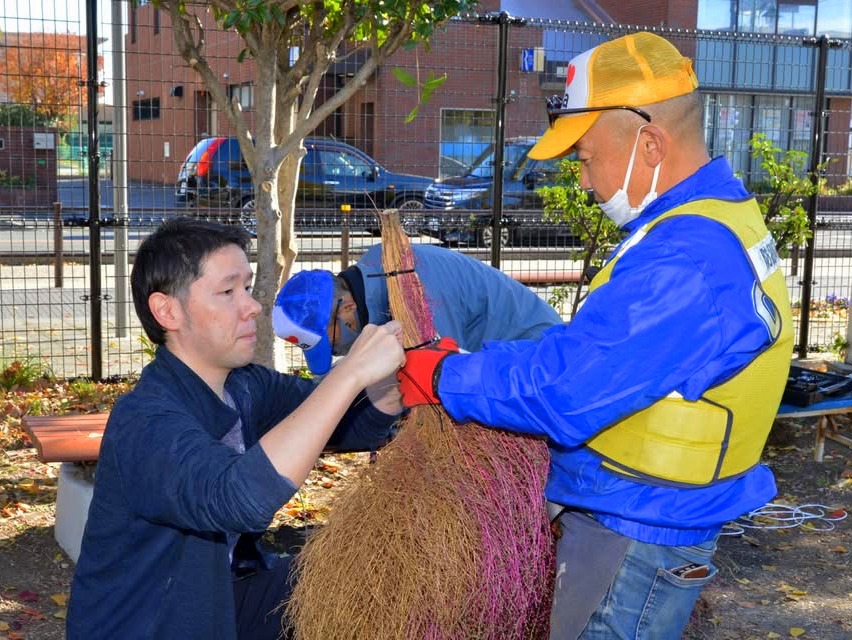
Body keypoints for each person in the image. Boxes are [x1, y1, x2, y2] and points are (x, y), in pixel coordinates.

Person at [397, 32, 793, 639]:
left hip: (635, 539)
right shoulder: (709, 223)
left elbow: (569, 389)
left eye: (584, 157)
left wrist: (447, 375)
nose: (582, 179)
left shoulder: (685, 259)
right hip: (644, 520)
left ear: (651, 144)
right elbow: (595, 351)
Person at [66, 217, 405, 640]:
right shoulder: (145, 421)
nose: (253, 306)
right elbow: (238, 497)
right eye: (228, 292)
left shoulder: (244, 385)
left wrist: (392, 390)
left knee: (354, 573)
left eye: (246, 287)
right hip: (153, 624)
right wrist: (349, 373)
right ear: (167, 310)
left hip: (219, 599)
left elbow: (343, 425)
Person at [272, 242, 561, 375]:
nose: (335, 351)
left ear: (347, 308)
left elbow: (446, 374)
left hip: (536, 357)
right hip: (493, 363)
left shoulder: (413, 287)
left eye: (330, 340)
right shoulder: (377, 285)